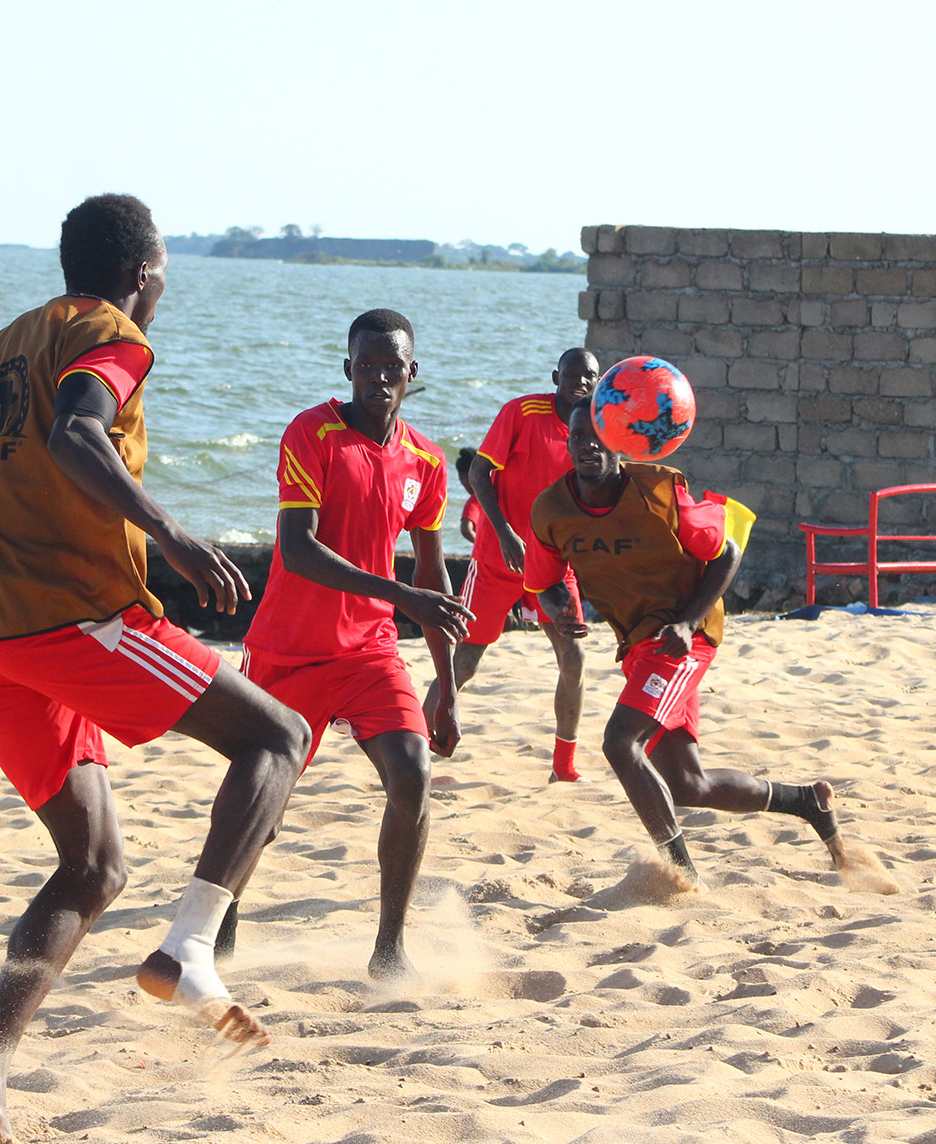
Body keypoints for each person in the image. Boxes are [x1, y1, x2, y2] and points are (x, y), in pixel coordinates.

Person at [0, 193, 311, 1144]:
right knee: (279, 736)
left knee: (93, 864)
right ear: (142, 272)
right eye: (165, 270)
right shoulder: (114, 333)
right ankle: (189, 949)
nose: (164, 286)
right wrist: (169, 532)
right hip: (72, 616)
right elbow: (76, 437)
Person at [523, 401, 862, 884]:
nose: (588, 446)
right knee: (686, 783)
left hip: (686, 638)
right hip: (639, 645)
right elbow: (546, 580)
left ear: (621, 442)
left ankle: (684, 875)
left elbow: (728, 551)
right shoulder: (551, 509)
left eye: (598, 437)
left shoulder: (658, 490)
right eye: (578, 437)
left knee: (620, 744)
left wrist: (687, 622)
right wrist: (560, 610)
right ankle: (806, 802)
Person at [238, 308, 472, 980]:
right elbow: (298, 550)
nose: (377, 379)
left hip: (370, 652)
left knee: (413, 776)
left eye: (390, 369)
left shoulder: (425, 461)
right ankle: (215, 931)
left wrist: (446, 689)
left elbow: (432, 579)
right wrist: (402, 596)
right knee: (261, 813)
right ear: (348, 370)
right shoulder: (312, 434)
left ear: (410, 374)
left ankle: (389, 949)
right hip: (290, 650)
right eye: (365, 367)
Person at [435, 348, 600, 782]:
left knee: (574, 657)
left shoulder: (596, 431)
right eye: (573, 375)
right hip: (497, 558)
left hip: (551, 566)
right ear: (556, 377)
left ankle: (563, 765)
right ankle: (415, 741)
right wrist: (506, 533)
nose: (581, 383)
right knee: (465, 662)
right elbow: (479, 475)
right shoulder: (522, 412)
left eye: (590, 377)